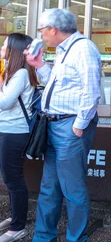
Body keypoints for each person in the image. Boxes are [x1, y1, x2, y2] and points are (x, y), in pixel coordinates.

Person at [25, 9, 101, 242]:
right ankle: (43, 237)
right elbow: (58, 86)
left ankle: (76, 238)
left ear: (53, 29)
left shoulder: (84, 49)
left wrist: (78, 126)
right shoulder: (63, 50)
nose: (42, 35)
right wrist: (39, 65)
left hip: (70, 126)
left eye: (42, 30)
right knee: (49, 187)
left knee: (73, 189)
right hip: (54, 124)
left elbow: (92, 91)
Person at [0, 34, 38, 242]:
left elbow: (5, 103)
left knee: (13, 179)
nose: (2, 47)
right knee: (9, 177)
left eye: (5, 45)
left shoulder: (22, 73)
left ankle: (18, 227)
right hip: (7, 129)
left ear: (13, 50)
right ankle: (15, 216)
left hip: (14, 132)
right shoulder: (13, 72)